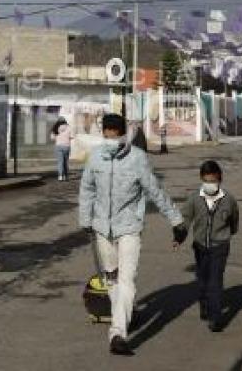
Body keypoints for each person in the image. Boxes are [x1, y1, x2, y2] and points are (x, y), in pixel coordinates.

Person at [79, 113, 188, 356]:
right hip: (101, 230)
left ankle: (117, 333)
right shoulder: (95, 157)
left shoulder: (137, 158)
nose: (110, 137)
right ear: (103, 133)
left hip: (129, 228)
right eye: (107, 133)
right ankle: (123, 315)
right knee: (111, 280)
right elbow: (87, 189)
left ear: (121, 134)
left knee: (126, 280)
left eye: (114, 133)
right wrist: (85, 219)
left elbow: (154, 190)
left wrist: (176, 220)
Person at [176, 160, 239, 332]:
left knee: (215, 281)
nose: (210, 184)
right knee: (203, 278)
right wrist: (179, 236)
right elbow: (185, 218)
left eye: (213, 180)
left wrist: (229, 234)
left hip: (220, 246)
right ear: (201, 179)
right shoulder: (195, 198)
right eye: (207, 180)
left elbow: (234, 220)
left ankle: (215, 317)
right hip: (200, 246)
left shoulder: (229, 200)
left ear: (220, 178)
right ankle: (204, 304)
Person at [51, 117, 73, 181]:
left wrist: (58, 138)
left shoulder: (55, 128)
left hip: (58, 146)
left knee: (60, 162)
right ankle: (66, 176)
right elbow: (71, 136)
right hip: (66, 146)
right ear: (65, 121)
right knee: (66, 162)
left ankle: (60, 176)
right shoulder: (69, 127)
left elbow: (52, 138)